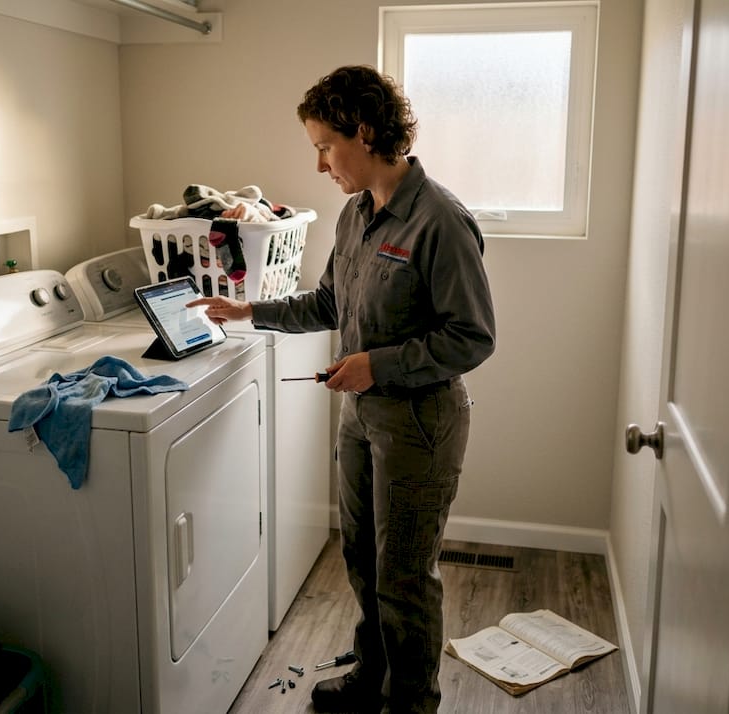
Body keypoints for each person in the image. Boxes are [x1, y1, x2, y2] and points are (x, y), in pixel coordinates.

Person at [187, 65, 496, 714]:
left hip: (419, 424)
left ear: (364, 131)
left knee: (405, 575)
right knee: (361, 554)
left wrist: (377, 365)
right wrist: (247, 312)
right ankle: (371, 679)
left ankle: (412, 702)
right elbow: (330, 301)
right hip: (361, 417)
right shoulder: (356, 215)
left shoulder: (440, 220)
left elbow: (472, 338)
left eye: (325, 146)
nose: (322, 164)